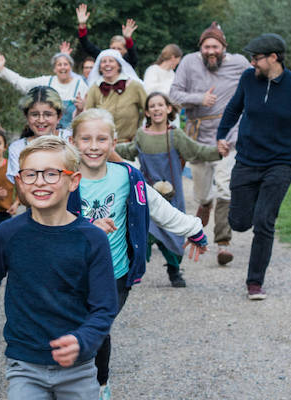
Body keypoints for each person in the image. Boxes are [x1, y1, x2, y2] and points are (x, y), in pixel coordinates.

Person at [0, 135, 118, 400]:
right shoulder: (8, 234)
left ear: (73, 181)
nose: (39, 181)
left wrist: (83, 340)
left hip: (79, 367)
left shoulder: (92, 239)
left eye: (52, 174)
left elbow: (104, 306)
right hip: (24, 364)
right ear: (19, 181)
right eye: (30, 174)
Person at [68, 108, 208, 399]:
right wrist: (86, 227)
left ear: (114, 142)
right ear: (73, 141)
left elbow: (159, 208)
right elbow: (46, 223)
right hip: (71, 274)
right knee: (78, 330)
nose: (94, 146)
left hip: (115, 274)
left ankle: (100, 385)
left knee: (96, 328)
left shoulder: (127, 177)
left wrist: (193, 229)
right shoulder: (65, 180)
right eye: (86, 139)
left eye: (101, 139)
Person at [216, 33, 291, 300]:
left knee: (264, 222)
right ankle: (249, 212)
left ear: (274, 57)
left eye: (256, 57)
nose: (252, 62)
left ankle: (254, 283)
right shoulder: (248, 80)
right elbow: (233, 108)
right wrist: (221, 134)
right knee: (239, 222)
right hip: (247, 160)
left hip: (280, 163)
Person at [115, 92, 222, 287]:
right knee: (144, 231)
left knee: (173, 233)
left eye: (160, 105)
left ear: (168, 109)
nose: (156, 109)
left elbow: (196, 150)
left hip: (172, 194)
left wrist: (217, 152)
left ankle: (174, 270)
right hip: (147, 193)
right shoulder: (141, 135)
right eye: (152, 106)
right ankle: (132, 270)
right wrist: (109, 148)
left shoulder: (175, 135)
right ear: (147, 111)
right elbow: (129, 150)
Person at [170, 22, 250, 265]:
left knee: (226, 187)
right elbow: (174, 95)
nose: (210, 51)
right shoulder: (188, 63)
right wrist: (199, 99)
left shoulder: (239, 63)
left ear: (224, 47)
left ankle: (223, 243)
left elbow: (255, 83)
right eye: (206, 47)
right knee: (203, 192)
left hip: (229, 136)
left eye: (215, 46)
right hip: (198, 135)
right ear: (200, 48)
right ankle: (205, 203)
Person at [0, 51, 88, 128]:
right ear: (54, 69)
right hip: (47, 133)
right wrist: (3, 69)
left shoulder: (80, 85)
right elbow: (23, 84)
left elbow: (87, 112)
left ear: (70, 67)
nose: (62, 67)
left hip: (72, 134)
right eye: (59, 64)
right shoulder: (46, 81)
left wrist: (82, 108)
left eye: (65, 64)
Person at [6, 86, 69, 184]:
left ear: (59, 116)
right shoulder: (18, 149)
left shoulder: (70, 139)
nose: (41, 120)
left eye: (48, 114)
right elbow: (21, 188)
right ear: (26, 116)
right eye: (35, 115)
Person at [84, 49, 147, 143]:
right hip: (103, 144)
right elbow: (88, 115)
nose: (107, 64)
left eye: (111, 61)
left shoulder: (134, 86)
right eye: (104, 62)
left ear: (119, 65)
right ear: (100, 68)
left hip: (129, 143)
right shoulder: (95, 88)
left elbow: (148, 109)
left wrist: (140, 131)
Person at [75, 3, 139, 68]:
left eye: (119, 49)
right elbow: (87, 45)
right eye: (113, 48)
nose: (115, 51)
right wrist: (82, 25)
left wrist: (128, 39)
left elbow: (133, 56)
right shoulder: (104, 57)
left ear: (125, 50)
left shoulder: (128, 61)